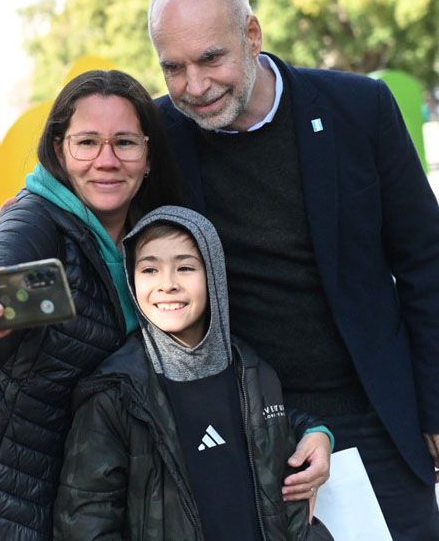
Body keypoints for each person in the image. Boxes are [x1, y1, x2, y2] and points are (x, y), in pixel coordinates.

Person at [0, 0, 439, 539]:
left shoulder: (359, 108)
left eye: (211, 59)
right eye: (173, 67)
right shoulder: (162, 130)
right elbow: (74, 185)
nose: (193, 85)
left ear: (252, 36)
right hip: (244, 417)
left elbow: (425, 259)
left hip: (374, 408)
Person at [0, 70, 190, 540]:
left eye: (126, 143)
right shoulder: (32, 226)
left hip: (68, 498)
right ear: (59, 150)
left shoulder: (150, 234)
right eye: (87, 142)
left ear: (149, 155)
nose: (106, 160)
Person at [55, 206, 334, 540]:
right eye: (149, 270)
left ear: (214, 275)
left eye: (185, 267)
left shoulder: (253, 371)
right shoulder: (114, 394)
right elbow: (85, 525)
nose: (167, 284)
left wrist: (319, 432)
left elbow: (288, 498)